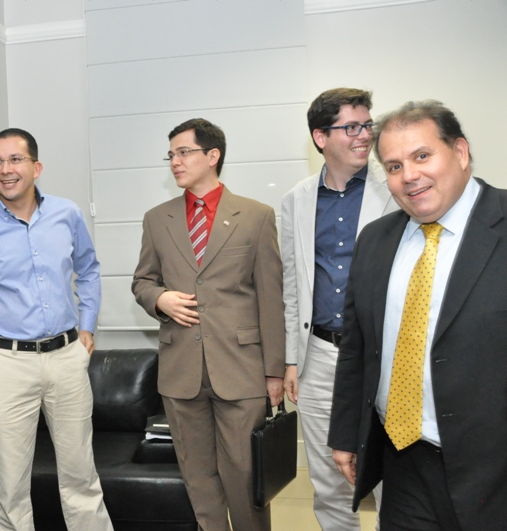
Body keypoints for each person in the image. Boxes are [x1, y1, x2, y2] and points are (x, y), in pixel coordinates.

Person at [329, 100, 507, 529]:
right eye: (393, 166)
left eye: (422, 156)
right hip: (402, 459)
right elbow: (357, 347)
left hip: (494, 470)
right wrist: (346, 434)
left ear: (460, 152)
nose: (409, 175)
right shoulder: (375, 240)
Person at [0, 128, 112, 531]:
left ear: (36, 167)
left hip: (67, 359)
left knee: (82, 478)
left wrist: (87, 325)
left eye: (15, 159)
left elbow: (88, 269)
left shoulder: (67, 214)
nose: (5, 169)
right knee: (10, 486)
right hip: (7, 365)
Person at [132, 118, 285, 531]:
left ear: (213, 155)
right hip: (181, 371)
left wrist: (274, 371)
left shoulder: (256, 216)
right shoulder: (157, 218)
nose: (175, 162)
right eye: (171, 155)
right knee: (198, 479)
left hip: (241, 368)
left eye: (184, 152)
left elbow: (271, 298)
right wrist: (159, 299)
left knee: (246, 478)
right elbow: (143, 281)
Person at [281, 88, 394, 530]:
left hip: (384, 353)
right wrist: (292, 359)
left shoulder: (395, 190)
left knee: (389, 478)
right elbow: (293, 284)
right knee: (329, 479)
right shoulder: (297, 199)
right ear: (320, 137)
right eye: (351, 127)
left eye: (367, 125)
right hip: (320, 355)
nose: (364, 135)